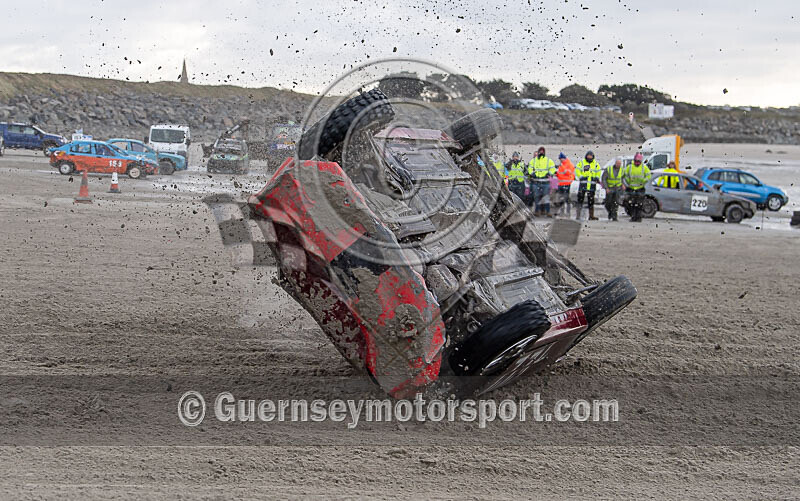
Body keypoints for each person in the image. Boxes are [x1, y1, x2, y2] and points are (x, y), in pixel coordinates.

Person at [623, 152, 652, 222]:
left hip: (640, 188)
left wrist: (643, 181)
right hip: (631, 188)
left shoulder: (644, 167)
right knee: (630, 204)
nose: (637, 162)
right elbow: (625, 175)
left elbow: (648, 176)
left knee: (639, 204)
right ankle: (633, 217)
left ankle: (638, 217)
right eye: (636, 161)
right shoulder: (629, 167)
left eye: (638, 161)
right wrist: (628, 182)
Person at [528, 146, 556, 216]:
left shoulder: (548, 160)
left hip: (545, 182)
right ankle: (537, 211)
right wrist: (532, 173)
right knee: (536, 197)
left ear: (544, 152)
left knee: (546, 197)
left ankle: (547, 211)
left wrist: (550, 173)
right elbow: (530, 168)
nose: (541, 153)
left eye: (542, 151)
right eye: (540, 151)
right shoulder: (533, 161)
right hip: (536, 182)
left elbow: (553, 168)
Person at [574, 150, 602, 220]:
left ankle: (591, 215)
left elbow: (599, 172)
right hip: (583, 185)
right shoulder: (582, 163)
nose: (589, 157)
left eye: (591, 156)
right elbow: (577, 170)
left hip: (592, 186)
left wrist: (597, 177)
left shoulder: (596, 164)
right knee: (580, 200)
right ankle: (578, 215)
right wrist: (580, 176)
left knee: (591, 201)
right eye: (588, 156)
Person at [555, 152, 575, 216]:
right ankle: (562, 211)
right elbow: (559, 174)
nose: (560, 160)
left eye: (561, 159)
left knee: (566, 198)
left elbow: (568, 173)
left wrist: (562, 167)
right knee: (561, 198)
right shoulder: (561, 165)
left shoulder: (569, 164)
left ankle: (568, 211)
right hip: (560, 184)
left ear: (564, 158)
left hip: (566, 183)